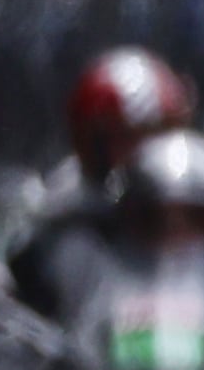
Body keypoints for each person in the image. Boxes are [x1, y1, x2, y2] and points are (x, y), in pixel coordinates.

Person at [12, 48, 192, 324]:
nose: (143, 153)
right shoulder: (69, 222)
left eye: (157, 136)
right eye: (125, 138)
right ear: (94, 145)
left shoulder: (194, 207)